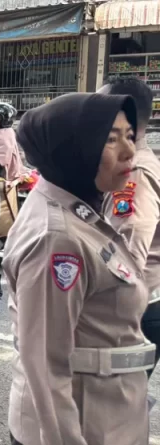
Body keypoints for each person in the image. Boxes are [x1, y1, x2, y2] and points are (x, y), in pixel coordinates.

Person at [5, 93, 154, 445]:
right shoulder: (57, 238)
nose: (129, 151)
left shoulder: (79, 204)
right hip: (82, 421)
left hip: (106, 410)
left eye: (129, 136)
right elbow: (45, 363)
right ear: (72, 149)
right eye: (110, 139)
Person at [99, 78, 160, 380]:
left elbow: (130, 246)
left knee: (112, 400)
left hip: (133, 309)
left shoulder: (133, 171)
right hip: (142, 303)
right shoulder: (139, 162)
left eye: (99, 107)